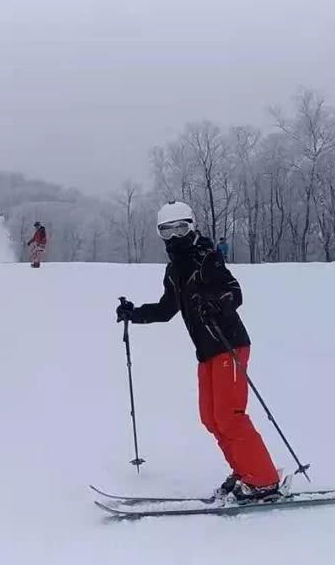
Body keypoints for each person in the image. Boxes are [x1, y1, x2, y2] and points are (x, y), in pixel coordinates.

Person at [115, 201, 281, 503]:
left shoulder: (207, 258)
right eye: (167, 231)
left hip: (228, 343)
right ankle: (244, 470)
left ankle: (264, 481)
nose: (175, 237)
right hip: (206, 351)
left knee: (229, 417)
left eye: (180, 228)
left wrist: (215, 304)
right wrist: (134, 314)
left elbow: (235, 292)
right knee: (211, 418)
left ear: (192, 227)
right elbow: (167, 309)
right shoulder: (173, 270)